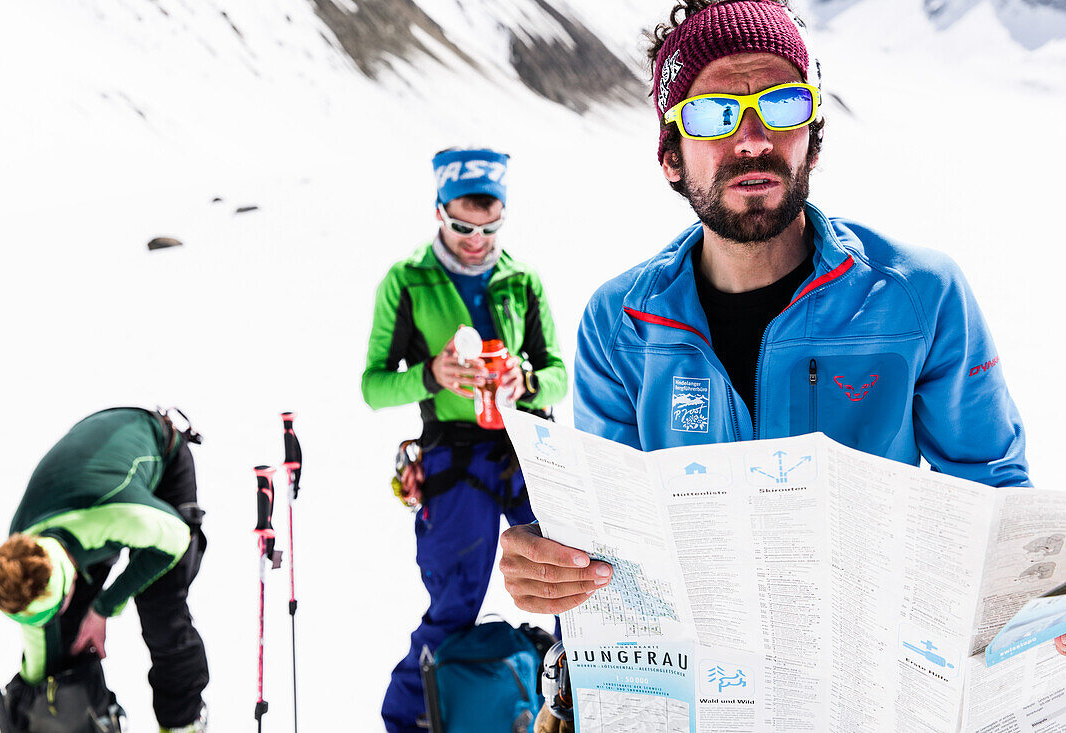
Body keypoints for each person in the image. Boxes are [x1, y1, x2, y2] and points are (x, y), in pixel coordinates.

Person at [499, 0, 1041, 627]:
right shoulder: (622, 324)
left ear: (812, 141)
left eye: (784, 105)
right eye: (711, 115)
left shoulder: (918, 295)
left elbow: (992, 501)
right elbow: (609, 544)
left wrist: (1038, 596)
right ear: (672, 155)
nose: (752, 141)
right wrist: (550, 569)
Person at [362, 147, 568, 732]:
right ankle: (408, 720)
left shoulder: (521, 281)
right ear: (438, 213)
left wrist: (525, 379)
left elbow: (559, 373)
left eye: (490, 226)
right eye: (461, 226)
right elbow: (374, 386)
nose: (476, 240)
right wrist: (432, 375)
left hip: (527, 444)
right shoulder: (407, 282)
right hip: (451, 452)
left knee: (571, 579)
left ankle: (570, 706)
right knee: (457, 599)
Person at [0, 407, 209, 733]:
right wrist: (35, 695)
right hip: (88, 487)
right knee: (65, 633)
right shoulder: (21, 557)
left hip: (158, 459)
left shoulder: (115, 515)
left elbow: (174, 538)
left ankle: (183, 722)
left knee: (160, 610)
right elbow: (41, 642)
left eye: (53, 606)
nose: (45, 617)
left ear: (68, 579)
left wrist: (104, 606)